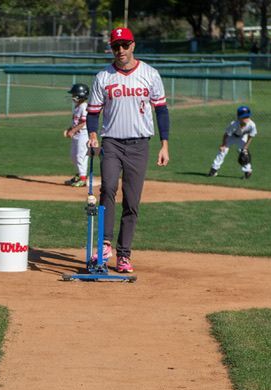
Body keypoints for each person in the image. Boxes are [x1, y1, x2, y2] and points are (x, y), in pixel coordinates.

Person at [86, 27, 170, 275]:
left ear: (133, 45)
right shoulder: (103, 76)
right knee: (108, 187)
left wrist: (164, 144)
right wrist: (92, 134)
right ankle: (105, 244)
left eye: (124, 45)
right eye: (115, 46)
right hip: (111, 142)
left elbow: (161, 111)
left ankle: (124, 255)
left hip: (139, 144)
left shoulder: (150, 74)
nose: (120, 50)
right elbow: (93, 112)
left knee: (132, 201)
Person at [208, 105, 257, 179]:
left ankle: (247, 171)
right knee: (223, 151)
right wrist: (223, 145)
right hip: (232, 137)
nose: (246, 119)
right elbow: (226, 135)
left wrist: (245, 147)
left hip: (243, 137)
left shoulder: (252, 125)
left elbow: (251, 136)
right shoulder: (233, 124)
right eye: (244, 117)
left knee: (244, 153)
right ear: (238, 117)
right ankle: (213, 170)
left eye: (247, 116)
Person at [63, 83, 90, 187]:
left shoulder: (84, 107)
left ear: (80, 95)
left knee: (80, 156)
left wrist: (73, 131)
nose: (72, 97)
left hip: (83, 135)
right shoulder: (77, 107)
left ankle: (83, 178)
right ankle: (79, 175)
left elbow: (83, 122)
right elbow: (76, 122)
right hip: (77, 135)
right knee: (73, 156)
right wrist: (70, 129)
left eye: (74, 94)